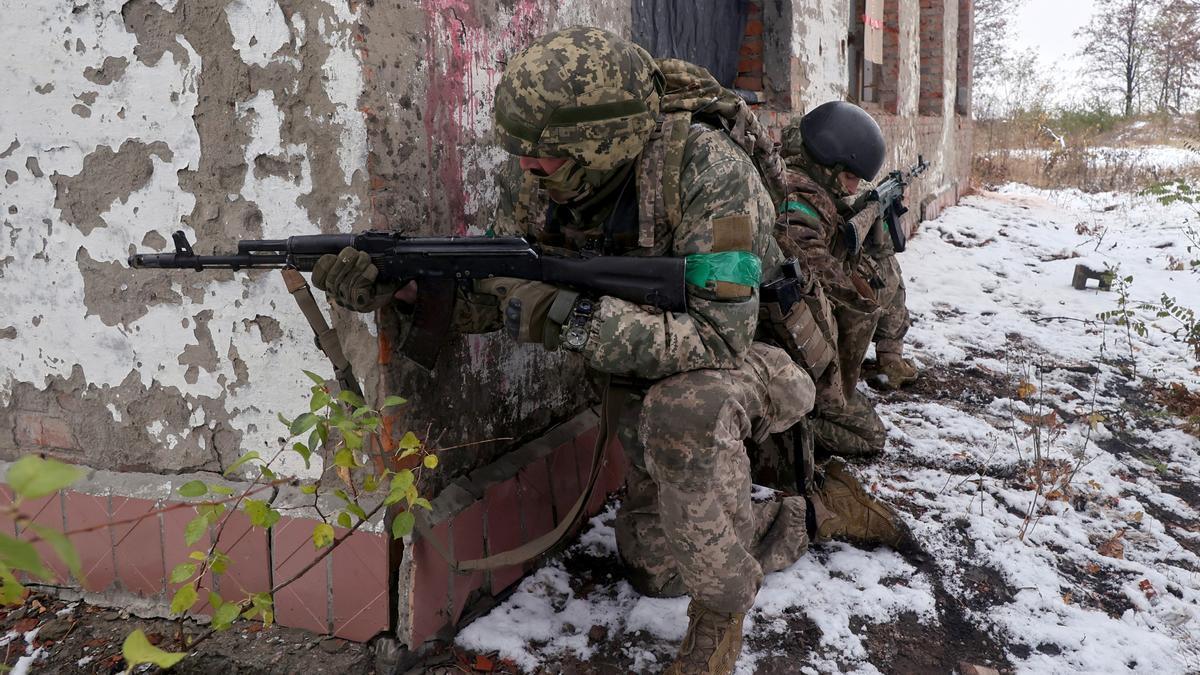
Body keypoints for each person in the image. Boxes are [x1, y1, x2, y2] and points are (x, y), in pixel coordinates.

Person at [314, 28, 909, 674]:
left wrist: (570, 318)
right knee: (653, 562)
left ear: (602, 144)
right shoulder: (549, 181)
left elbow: (719, 337)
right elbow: (507, 290)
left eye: (546, 157)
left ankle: (719, 621)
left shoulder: (712, 174)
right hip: (651, 379)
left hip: (760, 357)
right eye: (525, 154)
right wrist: (404, 291)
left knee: (686, 408)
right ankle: (821, 514)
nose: (528, 169)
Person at [774, 101, 902, 460]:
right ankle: (783, 427)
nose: (851, 189)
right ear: (827, 164)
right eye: (849, 178)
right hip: (792, 343)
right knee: (869, 436)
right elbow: (811, 259)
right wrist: (860, 294)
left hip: (805, 338)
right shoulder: (796, 202)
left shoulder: (806, 181)